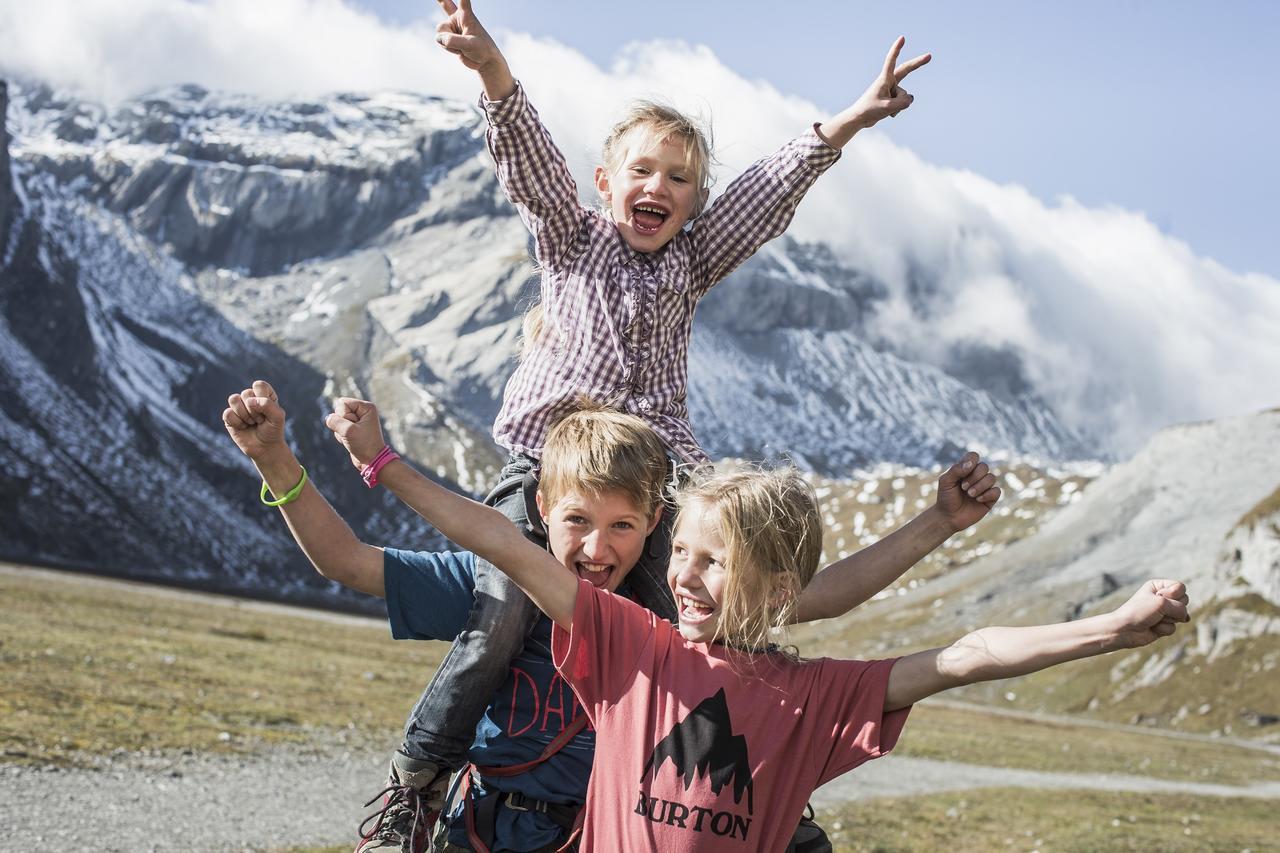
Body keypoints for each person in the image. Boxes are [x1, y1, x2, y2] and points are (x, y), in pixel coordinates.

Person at [377, 0, 935, 844]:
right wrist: (490, 67)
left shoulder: (695, 257)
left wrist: (850, 119)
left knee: (707, 622)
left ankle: (764, 799)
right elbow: (526, 160)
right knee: (500, 612)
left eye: (679, 179)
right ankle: (419, 777)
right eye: (642, 170)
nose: (659, 188)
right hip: (545, 467)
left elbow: (766, 194)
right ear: (606, 184)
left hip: (654, 477)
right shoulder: (571, 239)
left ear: (692, 201)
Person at [319, 391, 1192, 853]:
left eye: (710, 562)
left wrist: (1110, 629)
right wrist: (384, 463)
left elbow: (966, 656)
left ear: (772, 588)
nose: (685, 579)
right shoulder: (632, 642)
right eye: (682, 554)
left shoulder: (817, 693)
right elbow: (502, 545)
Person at [223, 381, 1000, 851]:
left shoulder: (676, 616)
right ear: (539, 513)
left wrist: (937, 522)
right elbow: (348, 562)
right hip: (485, 828)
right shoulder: (496, 584)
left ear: (654, 524)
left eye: (622, 527)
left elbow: (817, 593)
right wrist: (276, 462)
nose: (597, 548)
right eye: (576, 522)